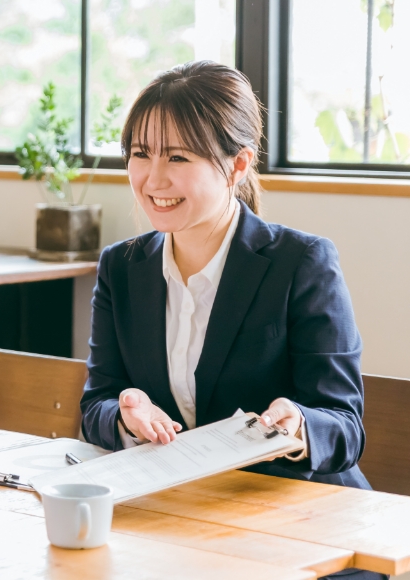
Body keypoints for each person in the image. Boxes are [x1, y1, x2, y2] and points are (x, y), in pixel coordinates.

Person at [80, 61, 380, 579]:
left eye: (178, 156)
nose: (153, 179)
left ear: (238, 165)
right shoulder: (122, 267)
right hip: (185, 521)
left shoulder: (302, 262)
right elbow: (96, 403)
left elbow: (345, 426)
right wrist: (123, 413)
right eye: (140, 154)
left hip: (306, 528)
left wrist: (300, 425)